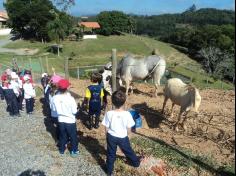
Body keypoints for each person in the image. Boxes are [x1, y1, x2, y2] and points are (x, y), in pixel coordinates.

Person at [102, 90, 141, 176]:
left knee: (111, 153)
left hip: (111, 136)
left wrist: (107, 135)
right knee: (128, 151)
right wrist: (129, 135)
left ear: (112, 101)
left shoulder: (109, 113)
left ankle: (109, 171)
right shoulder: (127, 114)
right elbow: (129, 127)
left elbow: (106, 126)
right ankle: (136, 163)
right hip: (123, 137)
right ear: (124, 102)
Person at [52, 79, 79, 157]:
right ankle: (74, 150)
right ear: (67, 88)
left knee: (62, 135)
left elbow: (54, 109)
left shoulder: (55, 97)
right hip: (70, 120)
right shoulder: (70, 99)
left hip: (60, 120)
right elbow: (74, 111)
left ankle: (62, 149)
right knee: (73, 136)